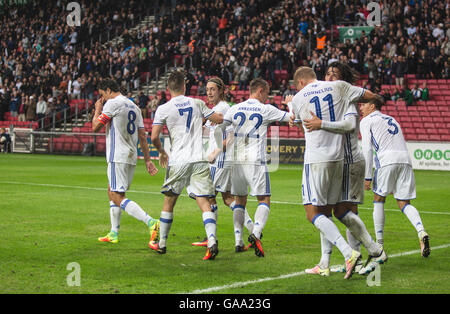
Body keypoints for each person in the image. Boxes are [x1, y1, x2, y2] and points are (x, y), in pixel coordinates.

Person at [289, 66, 382, 279]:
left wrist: (291, 106)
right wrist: (376, 97)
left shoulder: (299, 96)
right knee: (329, 211)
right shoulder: (339, 88)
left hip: (316, 158)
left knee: (313, 213)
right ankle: (327, 262)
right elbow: (368, 95)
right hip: (339, 159)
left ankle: (349, 253)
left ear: (301, 82)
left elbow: (295, 120)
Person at [214, 78, 293, 258]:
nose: (267, 97)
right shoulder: (266, 109)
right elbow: (293, 118)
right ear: (260, 91)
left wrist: (220, 148)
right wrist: (290, 105)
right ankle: (256, 233)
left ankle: (238, 242)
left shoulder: (235, 108)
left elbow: (219, 129)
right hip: (255, 159)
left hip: (236, 160)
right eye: (266, 93)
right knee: (264, 199)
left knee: (239, 201)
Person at [149, 70, 224, 260]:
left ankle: (163, 243)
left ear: (168, 89)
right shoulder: (197, 103)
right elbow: (219, 119)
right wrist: (209, 118)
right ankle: (212, 240)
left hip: (179, 159)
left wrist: (161, 152)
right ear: (184, 86)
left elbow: (154, 137)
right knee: (204, 200)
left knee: (169, 201)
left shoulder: (164, 108)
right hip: (199, 158)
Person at [91, 78, 160, 246]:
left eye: (103, 95)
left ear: (108, 90)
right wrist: (148, 160)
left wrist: (97, 110)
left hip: (117, 155)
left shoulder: (112, 104)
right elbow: (143, 135)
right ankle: (114, 232)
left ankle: (151, 222)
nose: (103, 99)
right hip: (130, 156)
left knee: (117, 195)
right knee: (112, 190)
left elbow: (95, 127)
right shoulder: (134, 107)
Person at [360, 97, 430, 259]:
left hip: (386, 161)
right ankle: (421, 231)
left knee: (378, 199)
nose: (361, 108)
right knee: (404, 203)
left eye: (363, 104)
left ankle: (379, 245)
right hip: (405, 160)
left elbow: (367, 150)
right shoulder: (392, 119)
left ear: (372, 106)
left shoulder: (366, 121)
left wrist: (367, 176)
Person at [191, 77, 255, 251]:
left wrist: (215, 152)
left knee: (207, 198)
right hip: (221, 160)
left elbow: (232, 136)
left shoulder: (224, 109)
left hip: (220, 160)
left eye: (213, 89)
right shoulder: (215, 110)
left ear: (221, 90)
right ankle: (253, 231)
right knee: (227, 199)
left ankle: (210, 237)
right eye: (207, 89)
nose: (209, 92)